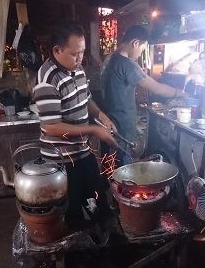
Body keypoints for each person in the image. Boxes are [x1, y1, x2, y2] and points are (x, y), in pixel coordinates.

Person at [33, 21, 117, 236]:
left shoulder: (77, 69)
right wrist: (93, 130)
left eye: (82, 52)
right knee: (72, 211)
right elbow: (51, 127)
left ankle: (106, 241)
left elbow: (86, 98)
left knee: (98, 196)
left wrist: (101, 115)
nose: (80, 59)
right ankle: (77, 256)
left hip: (82, 151)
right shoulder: (47, 80)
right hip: (61, 160)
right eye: (75, 54)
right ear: (57, 50)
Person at [102, 24, 186, 166]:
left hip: (110, 122)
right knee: (124, 170)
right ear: (135, 43)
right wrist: (180, 93)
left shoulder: (110, 59)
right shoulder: (127, 65)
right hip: (123, 127)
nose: (141, 53)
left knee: (111, 166)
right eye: (142, 48)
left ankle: (109, 187)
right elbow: (156, 88)